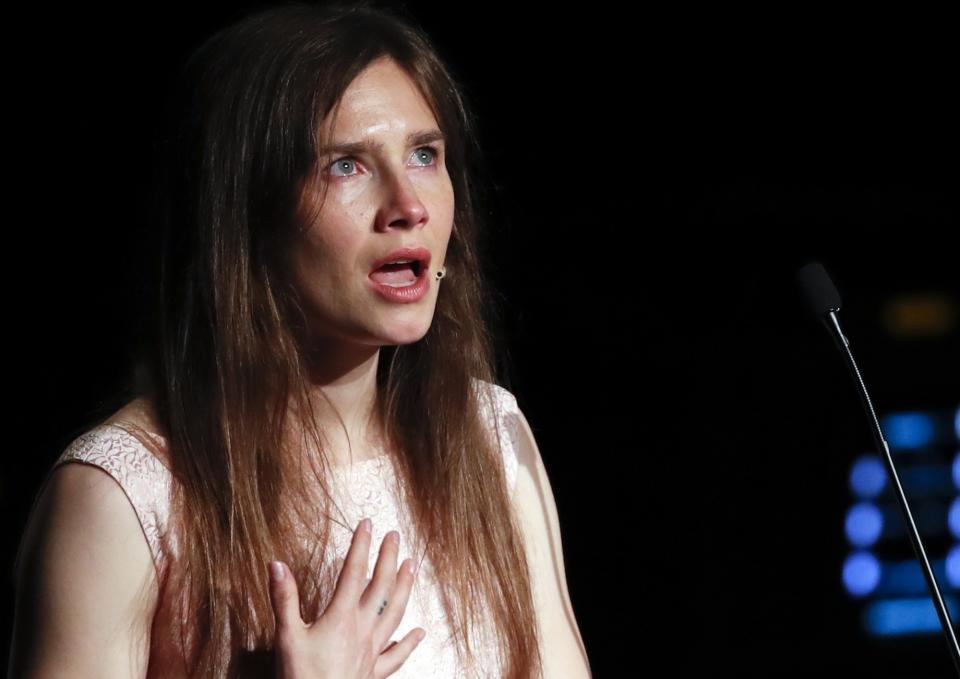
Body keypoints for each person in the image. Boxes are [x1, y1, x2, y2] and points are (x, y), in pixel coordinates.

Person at [8, 2, 592, 678]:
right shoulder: (127, 495)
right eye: (346, 165)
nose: (411, 205)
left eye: (425, 155)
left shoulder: (488, 438)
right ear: (244, 212)